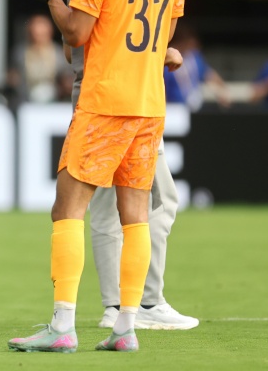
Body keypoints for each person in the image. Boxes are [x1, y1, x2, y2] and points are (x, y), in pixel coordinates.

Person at [8, 0, 185, 353]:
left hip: (105, 101)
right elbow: (163, 41)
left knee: (67, 209)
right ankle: (126, 329)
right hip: (149, 107)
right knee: (136, 217)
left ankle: (62, 326)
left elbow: (75, 33)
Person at [65, 42, 199, 331]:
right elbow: (119, 37)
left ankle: (116, 306)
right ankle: (145, 301)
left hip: (94, 101)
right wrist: (164, 52)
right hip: (133, 101)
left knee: (105, 209)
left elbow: (72, 47)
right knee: (158, 201)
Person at [163, 24, 229, 111]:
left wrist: (222, 91)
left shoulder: (195, 58)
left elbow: (210, 75)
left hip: (195, 107)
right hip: (174, 108)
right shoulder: (166, 60)